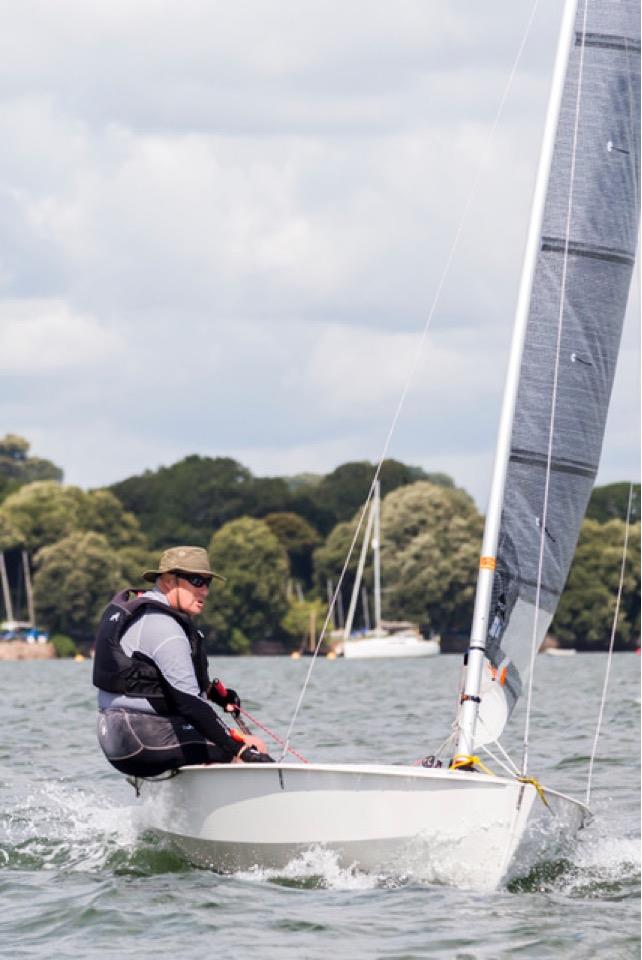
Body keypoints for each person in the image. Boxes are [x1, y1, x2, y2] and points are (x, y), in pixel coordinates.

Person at [93, 545, 274, 777]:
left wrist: (214, 693)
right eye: (197, 581)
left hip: (115, 737)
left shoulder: (141, 612)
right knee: (254, 745)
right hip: (144, 738)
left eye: (208, 582)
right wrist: (240, 749)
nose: (205, 591)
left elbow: (154, 680)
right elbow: (190, 704)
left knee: (211, 742)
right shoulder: (166, 628)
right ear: (169, 581)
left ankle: (180, 807)